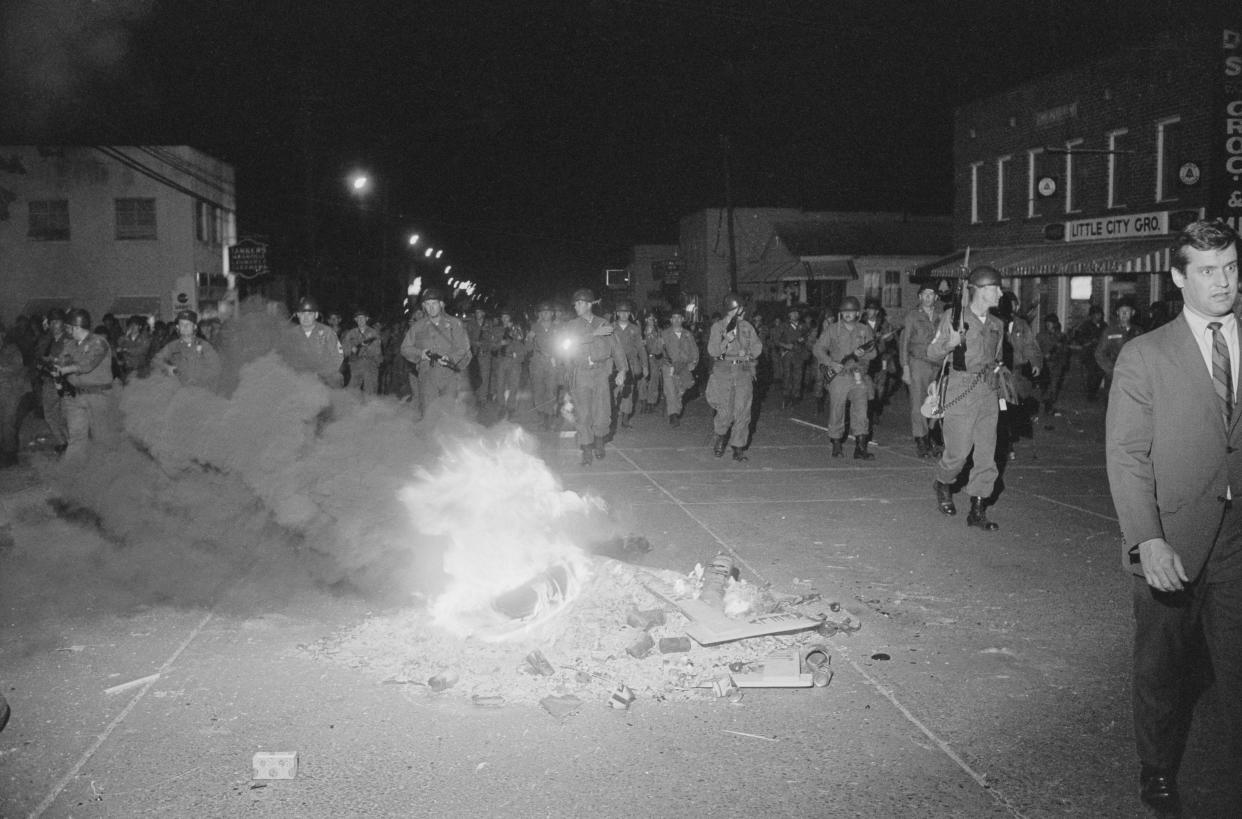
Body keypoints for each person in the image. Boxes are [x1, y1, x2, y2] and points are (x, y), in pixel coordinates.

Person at [1105, 219, 1242, 815]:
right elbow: (1127, 455)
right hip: (1173, 537)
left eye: (1232, 268)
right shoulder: (1145, 355)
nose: (1224, 281)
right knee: (1162, 670)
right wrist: (1148, 539)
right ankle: (1157, 768)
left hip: (1239, 539)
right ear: (1179, 276)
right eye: (1208, 270)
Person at [928, 266, 1006, 531]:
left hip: (988, 390)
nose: (1001, 292)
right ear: (982, 290)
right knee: (958, 454)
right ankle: (943, 482)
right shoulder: (955, 316)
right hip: (961, 388)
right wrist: (950, 343)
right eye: (996, 288)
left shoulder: (997, 324)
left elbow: (997, 357)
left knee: (987, 453)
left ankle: (978, 509)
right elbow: (932, 353)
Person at [561, 289, 627, 465]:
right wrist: (593, 334)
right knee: (583, 414)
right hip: (581, 373)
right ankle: (586, 449)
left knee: (603, 411)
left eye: (579, 303)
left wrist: (622, 370)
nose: (576, 306)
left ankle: (599, 442)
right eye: (575, 304)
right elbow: (569, 344)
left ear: (589, 304)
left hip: (600, 373)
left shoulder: (603, 323)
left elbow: (616, 347)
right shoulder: (571, 325)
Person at [813, 296, 877, 459]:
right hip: (839, 376)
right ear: (841, 313)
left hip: (858, 375)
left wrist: (864, 353)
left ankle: (860, 447)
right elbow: (818, 348)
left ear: (857, 313)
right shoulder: (833, 329)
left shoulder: (864, 329)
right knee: (837, 410)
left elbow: (874, 352)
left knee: (861, 411)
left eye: (852, 312)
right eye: (845, 312)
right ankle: (836, 444)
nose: (848, 314)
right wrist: (831, 363)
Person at [400, 288, 472, 420]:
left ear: (441, 304)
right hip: (427, 375)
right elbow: (405, 348)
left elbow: (464, 347)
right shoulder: (418, 327)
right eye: (427, 304)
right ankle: (428, 439)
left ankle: (446, 439)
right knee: (429, 414)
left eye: (434, 303)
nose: (430, 307)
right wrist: (420, 353)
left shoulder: (455, 324)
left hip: (449, 374)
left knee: (448, 414)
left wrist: (450, 358)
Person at [706, 293, 762, 461]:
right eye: (736, 309)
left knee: (743, 411)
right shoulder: (718, 327)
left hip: (743, 371)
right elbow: (713, 351)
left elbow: (758, 346)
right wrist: (725, 341)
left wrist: (750, 354)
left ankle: (738, 447)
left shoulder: (747, 327)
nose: (739, 312)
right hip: (723, 372)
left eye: (739, 309)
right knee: (725, 411)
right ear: (729, 310)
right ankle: (721, 437)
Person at [53, 309, 115, 461]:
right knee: (76, 438)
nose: (67, 331)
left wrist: (66, 369)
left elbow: (87, 364)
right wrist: (54, 367)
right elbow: (62, 360)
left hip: (98, 396)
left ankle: (108, 474)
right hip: (75, 397)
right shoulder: (70, 344)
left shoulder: (99, 342)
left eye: (69, 327)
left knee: (102, 438)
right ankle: (74, 475)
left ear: (77, 327)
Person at [901, 284, 945, 458]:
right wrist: (905, 367)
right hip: (918, 363)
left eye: (931, 294)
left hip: (937, 364)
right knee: (918, 403)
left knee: (935, 403)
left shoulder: (942, 317)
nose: (928, 297)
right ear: (920, 297)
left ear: (936, 297)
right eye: (924, 294)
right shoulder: (912, 316)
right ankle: (921, 440)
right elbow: (904, 343)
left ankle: (933, 436)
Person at [281, 296, 344, 388]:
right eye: (302, 314)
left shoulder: (327, 333)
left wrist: (322, 373)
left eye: (310, 314)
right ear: (297, 314)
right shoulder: (291, 335)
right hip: (299, 376)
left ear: (316, 315)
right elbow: (284, 358)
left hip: (324, 376)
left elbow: (338, 357)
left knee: (336, 377)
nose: (305, 317)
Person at [153, 309, 222, 392]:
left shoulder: (204, 346)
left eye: (188, 324)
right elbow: (156, 360)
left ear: (195, 327)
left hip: (201, 391)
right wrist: (167, 367)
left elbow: (216, 367)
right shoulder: (172, 346)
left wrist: (201, 378)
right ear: (178, 327)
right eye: (182, 324)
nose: (185, 327)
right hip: (179, 391)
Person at [35, 308, 71, 453]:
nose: (55, 324)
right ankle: (62, 441)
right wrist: (43, 362)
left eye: (58, 321)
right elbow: (37, 356)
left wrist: (54, 361)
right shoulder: (45, 339)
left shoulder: (69, 339)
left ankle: (70, 443)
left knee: (66, 414)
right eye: (52, 321)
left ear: (63, 323)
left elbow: (72, 359)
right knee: (50, 413)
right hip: (49, 380)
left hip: (66, 381)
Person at [1095, 299, 1142, 401]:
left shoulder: (1139, 332)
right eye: (1121, 311)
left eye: (1127, 311)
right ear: (1117, 313)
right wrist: (1111, 370)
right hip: (1114, 376)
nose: (1124, 314)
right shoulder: (1109, 331)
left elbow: (1144, 354)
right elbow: (1099, 353)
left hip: (1133, 376)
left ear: (1133, 313)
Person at [659, 307, 699, 427]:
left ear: (683, 319)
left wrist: (694, 363)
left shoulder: (688, 334)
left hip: (683, 367)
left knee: (680, 391)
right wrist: (657, 343)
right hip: (669, 366)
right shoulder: (664, 334)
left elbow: (695, 351)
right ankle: (673, 415)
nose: (676, 320)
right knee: (670, 390)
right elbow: (656, 351)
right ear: (671, 320)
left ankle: (675, 410)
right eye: (674, 318)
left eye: (679, 318)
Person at [610, 300, 647, 429]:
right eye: (621, 312)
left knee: (629, 392)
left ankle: (625, 419)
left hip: (630, 364)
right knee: (613, 391)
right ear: (617, 313)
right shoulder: (611, 327)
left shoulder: (635, 329)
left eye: (626, 312)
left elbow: (641, 348)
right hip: (614, 364)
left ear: (630, 314)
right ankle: (611, 417)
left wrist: (645, 365)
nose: (624, 315)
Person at [527, 301, 562, 430]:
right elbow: (527, 348)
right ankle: (541, 416)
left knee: (552, 390)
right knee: (538, 390)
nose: (545, 314)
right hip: (537, 362)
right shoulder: (534, 327)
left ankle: (549, 417)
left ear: (552, 313)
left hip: (552, 362)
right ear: (540, 314)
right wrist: (529, 338)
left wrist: (558, 360)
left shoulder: (557, 328)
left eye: (548, 312)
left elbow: (562, 347)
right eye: (543, 312)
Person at [0, 332, 31, 468]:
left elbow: (18, 366)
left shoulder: (12, 349)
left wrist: (2, 368)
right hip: (3, 388)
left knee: (8, 421)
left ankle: (10, 453)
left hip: (12, 390)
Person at [493, 308, 527, 420]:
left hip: (513, 360)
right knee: (500, 385)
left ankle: (511, 407)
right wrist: (500, 343)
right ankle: (501, 407)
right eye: (502, 317)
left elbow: (521, 344)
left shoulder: (516, 329)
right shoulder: (497, 329)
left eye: (506, 317)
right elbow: (492, 344)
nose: (504, 319)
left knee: (513, 385)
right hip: (501, 360)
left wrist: (510, 341)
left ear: (510, 318)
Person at [341, 308, 383, 394]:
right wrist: (352, 349)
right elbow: (344, 349)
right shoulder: (350, 333)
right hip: (355, 365)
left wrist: (360, 349)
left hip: (370, 365)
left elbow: (376, 351)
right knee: (352, 392)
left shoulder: (374, 333)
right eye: (358, 318)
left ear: (367, 319)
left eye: (362, 318)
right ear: (355, 320)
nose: (360, 320)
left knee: (370, 391)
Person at [1071, 305, 1108, 401]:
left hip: (1101, 353)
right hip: (1089, 354)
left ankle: (1094, 392)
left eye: (1100, 314)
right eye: (1096, 314)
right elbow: (1079, 339)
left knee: (1100, 372)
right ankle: (1091, 394)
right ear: (1092, 315)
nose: (1098, 316)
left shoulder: (1104, 326)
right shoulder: (1085, 326)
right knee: (1092, 373)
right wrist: (1090, 341)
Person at [1035, 314, 1069, 416]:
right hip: (1044, 365)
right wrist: (1043, 356)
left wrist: (1060, 347)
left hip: (1057, 364)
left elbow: (1066, 351)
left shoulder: (1061, 336)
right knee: (1045, 386)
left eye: (1050, 323)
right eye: (1047, 323)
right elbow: (1035, 350)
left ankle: (1049, 406)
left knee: (1054, 387)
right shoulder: (1041, 336)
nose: (1048, 325)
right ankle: (1045, 406)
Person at [773, 306, 806, 409]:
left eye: (797, 313)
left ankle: (795, 398)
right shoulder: (783, 326)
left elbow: (808, 337)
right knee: (787, 376)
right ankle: (786, 397)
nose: (795, 315)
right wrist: (785, 346)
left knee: (798, 376)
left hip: (799, 354)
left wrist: (803, 340)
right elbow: (776, 340)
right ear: (789, 315)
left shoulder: (803, 326)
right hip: (787, 354)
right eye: (793, 313)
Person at [114, 315, 151, 383]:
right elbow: (117, 348)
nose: (133, 327)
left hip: (139, 370)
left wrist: (126, 350)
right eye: (131, 325)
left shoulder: (144, 338)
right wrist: (125, 336)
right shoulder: (124, 338)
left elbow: (140, 350)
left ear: (140, 326)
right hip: (126, 370)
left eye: (135, 325)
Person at [639, 313, 664, 414]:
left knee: (654, 381)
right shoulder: (640, 331)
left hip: (654, 359)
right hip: (643, 359)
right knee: (642, 381)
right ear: (645, 320)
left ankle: (651, 403)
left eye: (653, 319)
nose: (651, 321)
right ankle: (643, 402)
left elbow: (662, 346)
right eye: (649, 319)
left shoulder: (659, 331)